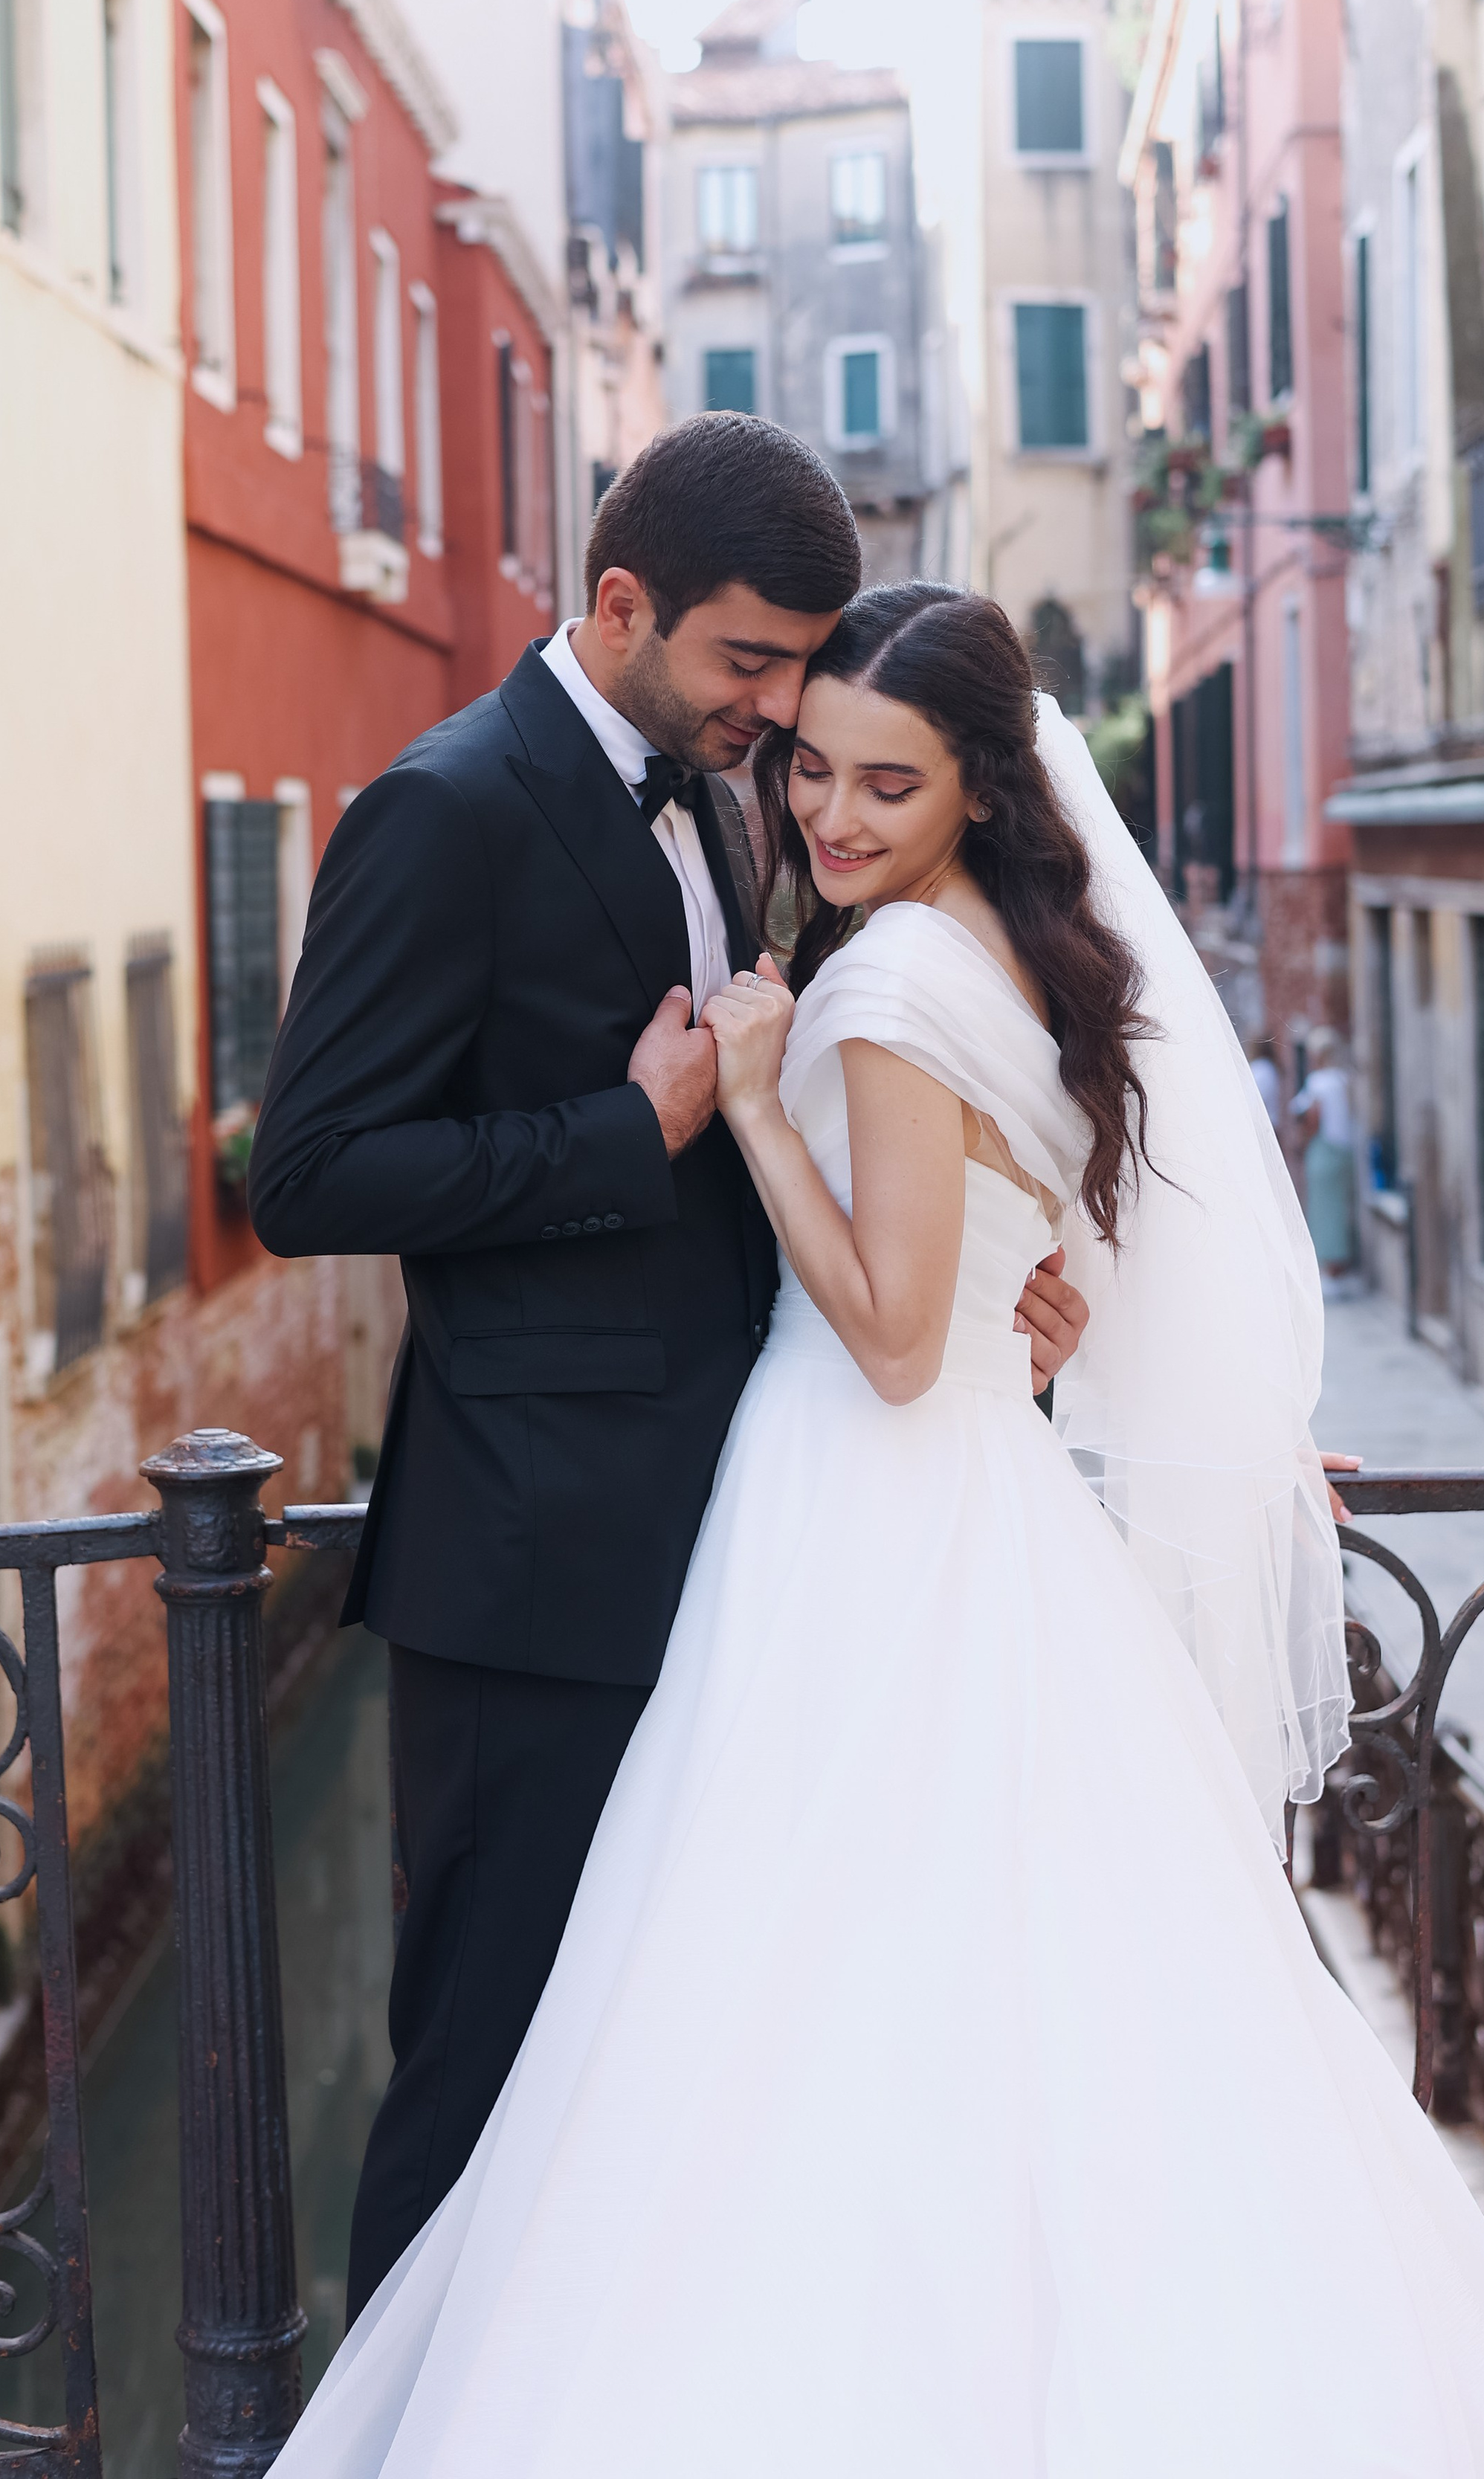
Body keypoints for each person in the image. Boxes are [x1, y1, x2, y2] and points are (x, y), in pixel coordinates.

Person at [268, 587, 1484, 2477]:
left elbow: (899, 1338)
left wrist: (747, 1106)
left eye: (881, 780)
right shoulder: (993, 941)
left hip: (859, 1478)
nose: (829, 811)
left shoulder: (893, 981)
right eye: (810, 764)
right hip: (960, 1503)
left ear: (978, 784)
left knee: (778, 1995)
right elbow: (1000, 1255)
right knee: (981, 1990)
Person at [246, 423, 1091, 2319]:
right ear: (619, 604)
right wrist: (619, 1129)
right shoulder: (443, 806)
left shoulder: (727, 796)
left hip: (749, 1543)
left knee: (669, 2089)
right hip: (537, 1573)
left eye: (803, 668)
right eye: (747, 662)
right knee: (482, 2079)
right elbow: (300, 1173)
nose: (782, 709)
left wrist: (1000, 1297)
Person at [1291, 1022, 1359, 1276]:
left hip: (1324, 1151)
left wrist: (1303, 1140)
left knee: (1324, 1209)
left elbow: (1313, 1116)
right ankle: (1338, 1266)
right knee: (1339, 1208)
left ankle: (1331, 1268)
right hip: (1343, 1151)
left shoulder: (1319, 1081)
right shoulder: (1344, 1079)